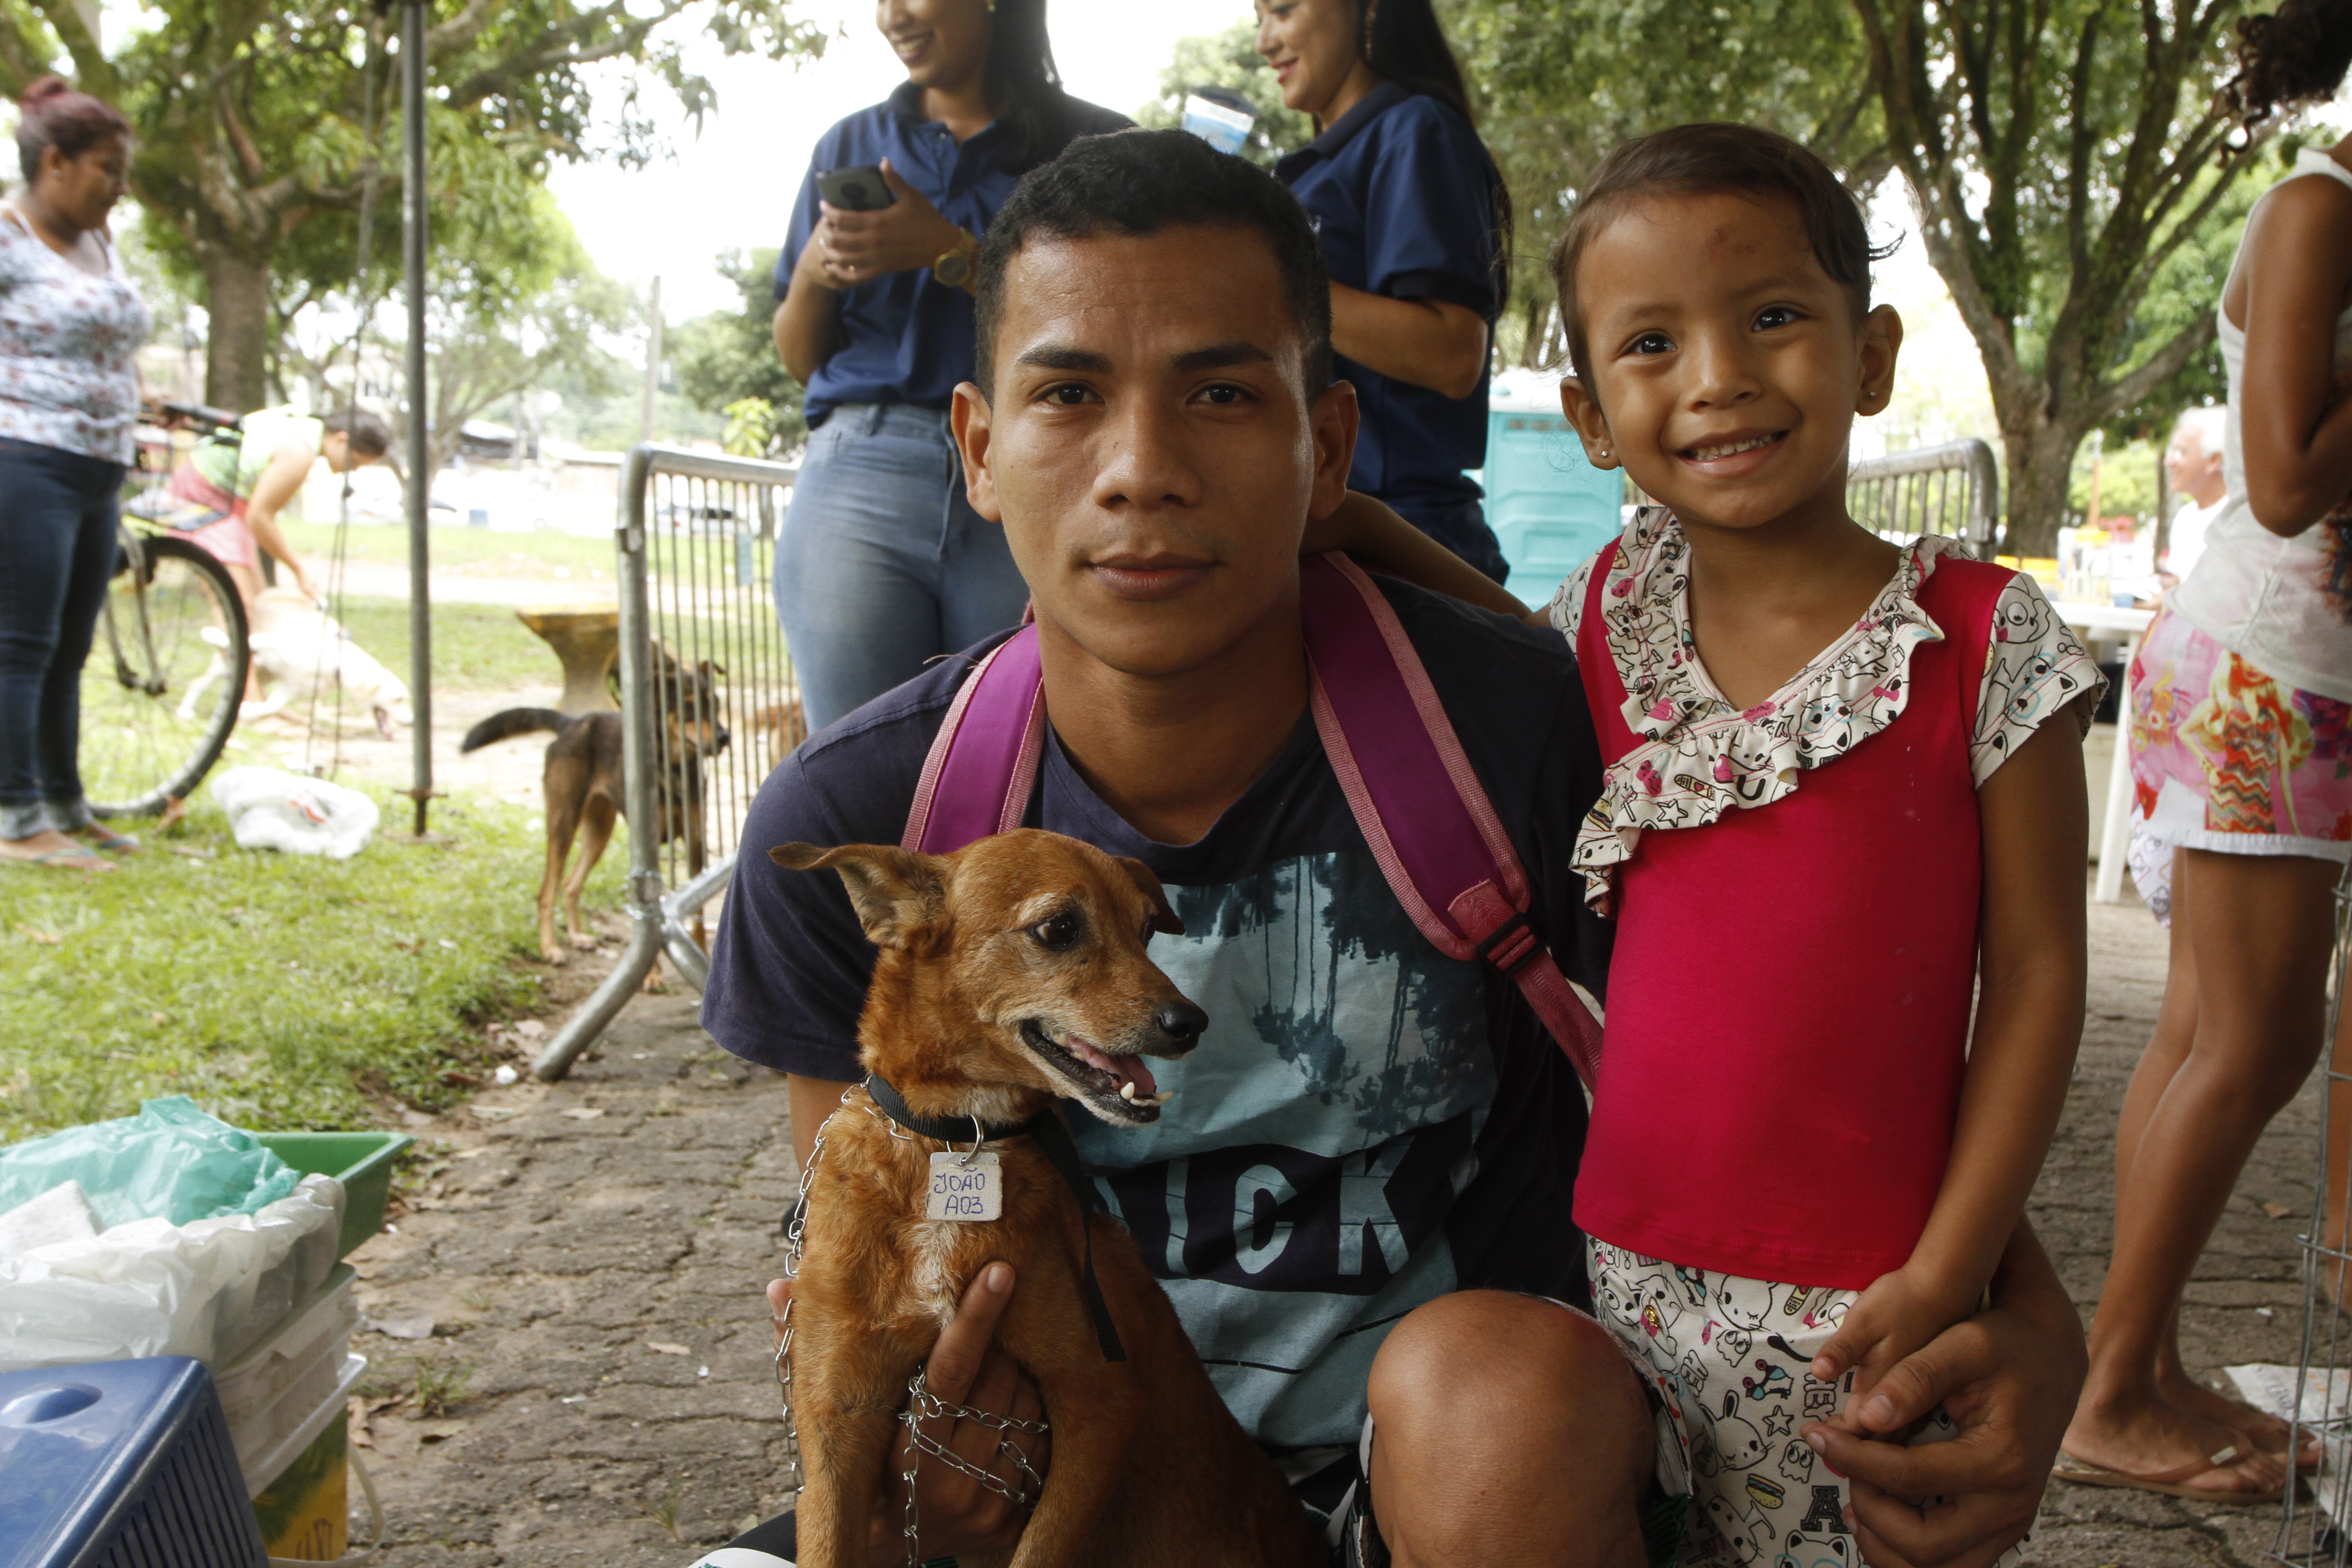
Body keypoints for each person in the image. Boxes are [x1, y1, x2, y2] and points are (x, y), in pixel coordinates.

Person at [698, 128, 2083, 1568]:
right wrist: (935, 1445)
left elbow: (1793, 1015)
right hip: (1057, 1491)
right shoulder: (871, 831)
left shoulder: (1515, 739)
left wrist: (2012, 1310)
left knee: (1506, 1408)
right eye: (1069, 395)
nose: (1142, 470)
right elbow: (877, 1259)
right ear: (979, 448)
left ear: (1331, 449)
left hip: (1418, 1488)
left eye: (1224, 391)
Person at [1328, 121, 2100, 1564]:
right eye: (1653, 346)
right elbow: (1504, 650)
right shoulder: (1618, 605)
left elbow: (2043, 977)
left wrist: (1956, 1266)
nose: (1721, 378)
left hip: (1875, 1304)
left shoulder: (1987, 643)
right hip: (1625, 1284)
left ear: (1868, 357)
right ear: (1590, 419)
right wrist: (1366, 526)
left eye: (1772, 319)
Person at [2063, 0, 2352, 1502]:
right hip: (2262, 665)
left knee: (2198, 1032)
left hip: (2292, 672)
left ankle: (2134, 1360)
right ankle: (2111, 1387)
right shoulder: (2321, 207)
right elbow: (2292, 474)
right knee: (2256, 1036)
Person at [769, 0, 1128, 733]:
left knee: (1027, 755)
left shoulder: (1097, 146)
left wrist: (952, 252)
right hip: (860, 471)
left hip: (1039, 464)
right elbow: (803, 360)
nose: (889, 16)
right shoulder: (849, 143)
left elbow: (1127, 321)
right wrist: (813, 272)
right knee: (855, 762)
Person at [1259, 0, 1515, 586]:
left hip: (1404, 539)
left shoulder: (1415, 129)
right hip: (1322, 534)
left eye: (1280, 9)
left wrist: (1270, 285)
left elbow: (1451, 353)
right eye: (1257, 19)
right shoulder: (1310, 168)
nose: (1264, 42)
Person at [0, 77, 150, 873]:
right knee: (22, 644)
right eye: (109, 169)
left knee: (69, 648)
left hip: (99, 465)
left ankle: (64, 803)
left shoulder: (101, 241)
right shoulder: (8, 235)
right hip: (27, 461)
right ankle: (16, 820)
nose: (120, 188)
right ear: (54, 162)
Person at [161, 405, 391, 673]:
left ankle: (259, 700)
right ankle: (251, 705)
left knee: (261, 603)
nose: (348, 472)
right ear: (341, 439)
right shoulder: (299, 452)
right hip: (205, 494)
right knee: (238, 603)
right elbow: (260, 518)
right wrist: (299, 569)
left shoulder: (306, 428)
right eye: (353, 463)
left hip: (230, 500)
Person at [2158, 404, 2227, 588]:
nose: (2169, 462)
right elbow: (2177, 590)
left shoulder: (2237, 519)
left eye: (2182, 452)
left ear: (2215, 460)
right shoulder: (2185, 517)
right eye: (2172, 452)